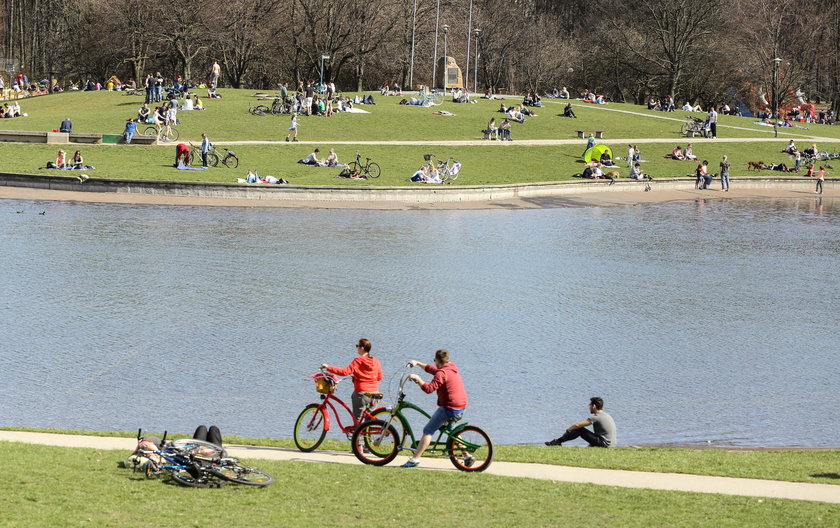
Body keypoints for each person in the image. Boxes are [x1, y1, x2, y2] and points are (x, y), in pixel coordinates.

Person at [401, 349, 468, 468]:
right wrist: (418, 363)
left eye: (434, 361)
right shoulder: (451, 368)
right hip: (460, 406)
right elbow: (434, 370)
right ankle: (467, 455)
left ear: (437, 360)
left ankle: (415, 459)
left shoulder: (442, 373)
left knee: (428, 430)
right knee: (452, 431)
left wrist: (417, 378)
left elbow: (429, 389)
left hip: (449, 407)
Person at [320, 338, 383, 421]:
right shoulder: (376, 361)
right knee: (368, 422)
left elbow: (344, 372)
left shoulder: (358, 361)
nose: (357, 348)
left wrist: (328, 367)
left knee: (358, 422)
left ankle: (358, 432)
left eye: (358, 346)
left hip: (362, 395)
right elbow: (380, 377)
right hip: (375, 395)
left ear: (362, 348)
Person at [545, 397, 616, 447]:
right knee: (581, 430)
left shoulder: (597, 417)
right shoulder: (607, 415)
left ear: (594, 406)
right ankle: (558, 442)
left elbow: (577, 425)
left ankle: (557, 442)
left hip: (604, 444)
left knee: (580, 429)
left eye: (590, 405)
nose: (589, 407)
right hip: (610, 444)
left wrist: (567, 431)